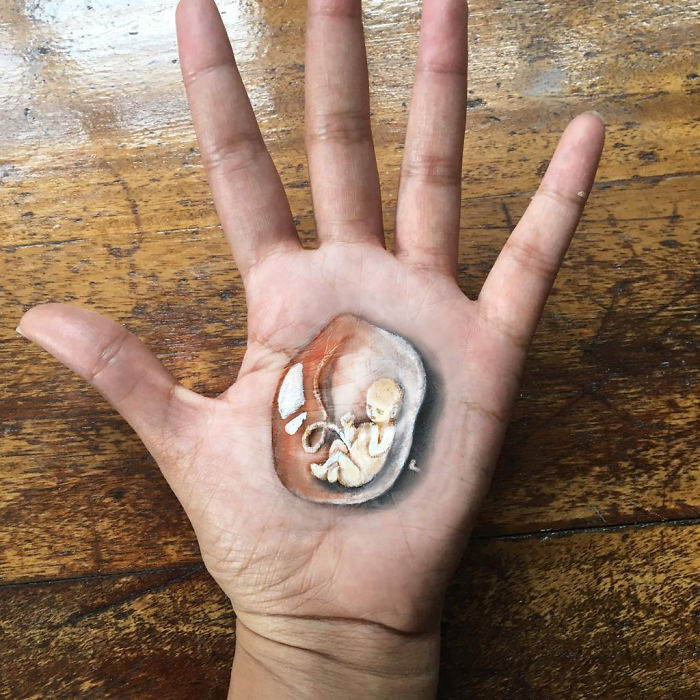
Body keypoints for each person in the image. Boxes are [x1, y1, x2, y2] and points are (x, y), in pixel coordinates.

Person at [16, 0, 605, 696]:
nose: (362, 426)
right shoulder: (337, 438)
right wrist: (318, 636)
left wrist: (320, 643)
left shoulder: (366, 425)